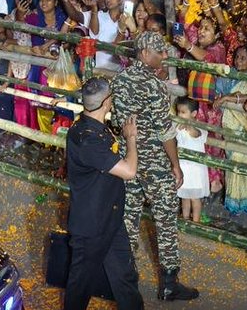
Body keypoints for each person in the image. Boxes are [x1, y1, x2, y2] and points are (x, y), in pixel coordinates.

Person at [110, 32, 200, 302]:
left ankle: (125, 278)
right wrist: (175, 164)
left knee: (128, 217)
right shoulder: (154, 85)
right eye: (159, 52)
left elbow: (116, 120)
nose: (164, 56)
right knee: (165, 220)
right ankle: (169, 283)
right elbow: (165, 132)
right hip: (155, 163)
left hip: (128, 158)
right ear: (144, 53)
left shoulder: (119, 79)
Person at [63, 77, 143, 310]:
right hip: (91, 227)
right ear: (107, 102)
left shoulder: (90, 125)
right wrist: (131, 138)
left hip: (110, 217)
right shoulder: (87, 139)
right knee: (80, 286)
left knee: (125, 277)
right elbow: (129, 171)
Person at [173, 97, 207, 223]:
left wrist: (189, 127)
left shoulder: (198, 128)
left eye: (183, 112)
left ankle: (196, 222)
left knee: (194, 198)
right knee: (184, 197)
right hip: (183, 168)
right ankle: (186, 219)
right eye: (178, 112)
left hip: (195, 171)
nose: (179, 115)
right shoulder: (178, 127)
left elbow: (196, 134)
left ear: (193, 114)